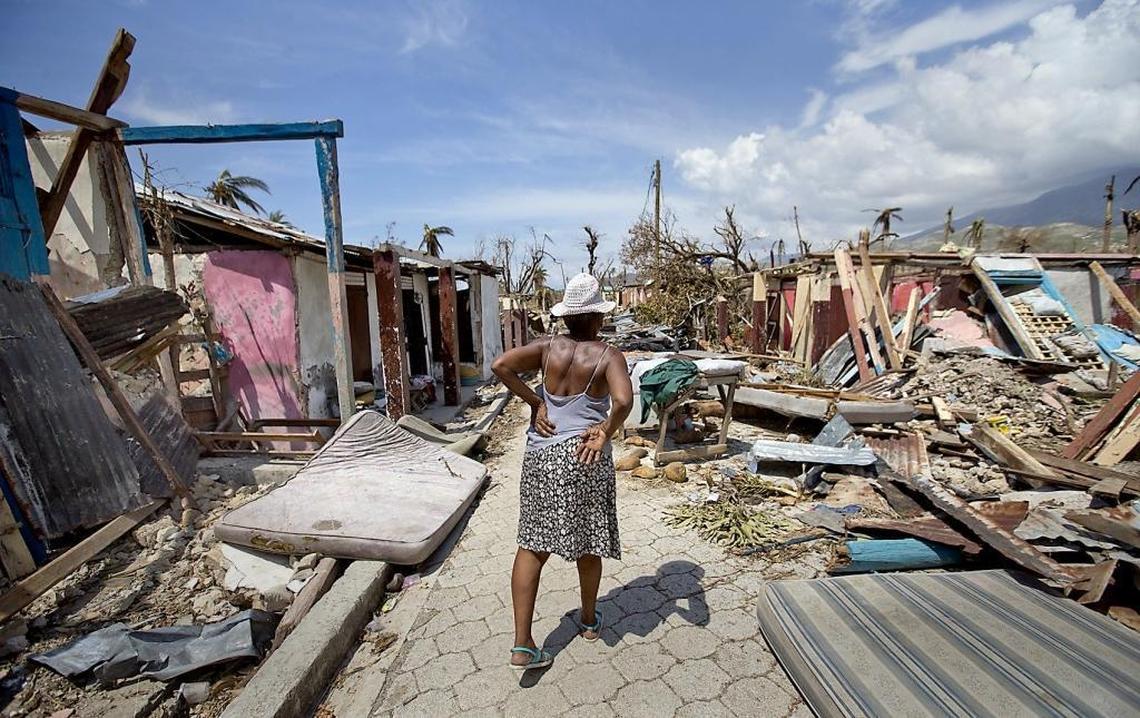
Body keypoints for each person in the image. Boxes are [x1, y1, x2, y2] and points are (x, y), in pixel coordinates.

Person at [491, 273, 633, 670]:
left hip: (541, 457)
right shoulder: (608, 356)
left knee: (532, 545)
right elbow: (623, 400)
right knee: (589, 542)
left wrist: (536, 402)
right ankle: (589, 621)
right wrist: (605, 430)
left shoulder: (547, 347)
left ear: (568, 317)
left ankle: (523, 644)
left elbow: (500, 365)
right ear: (598, 318)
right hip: (584, 457)